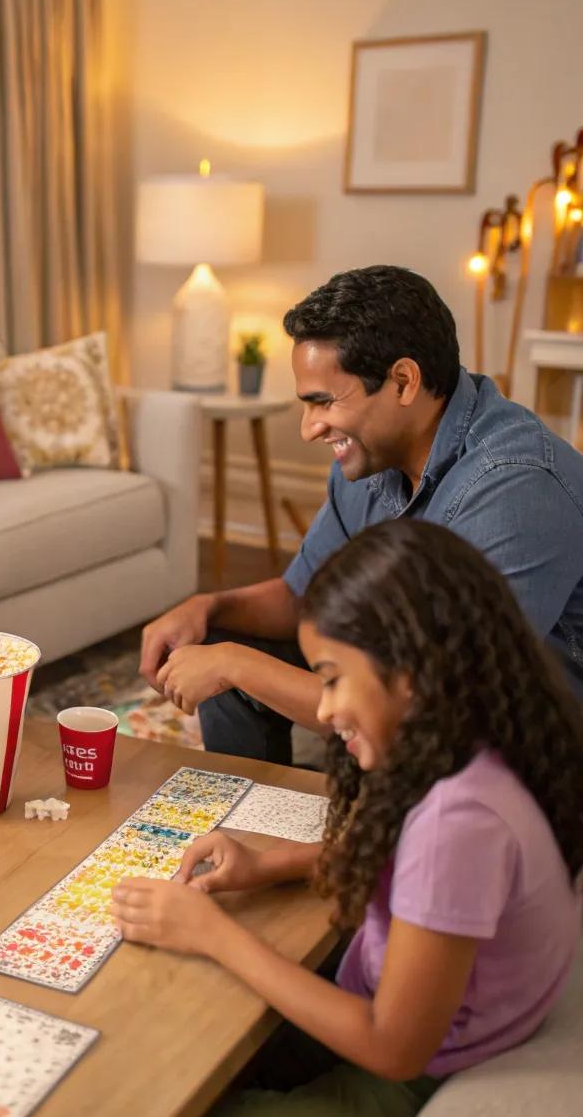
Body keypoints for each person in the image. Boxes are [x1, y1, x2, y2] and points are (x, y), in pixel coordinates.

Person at [114, 518, 582, 1117]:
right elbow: (406, 869)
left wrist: (214, 934)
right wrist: (267, 863)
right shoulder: (476, 735)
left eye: (332, 680)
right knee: (180, 1034)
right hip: (394, 1004)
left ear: (412, 673)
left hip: (419, 1078)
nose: (325, 710)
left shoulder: (462, 822)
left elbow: (394, 1048)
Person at [140, 265, 583, 764]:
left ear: (403, 381)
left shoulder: (517, 489)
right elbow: (303, 598)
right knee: (221, 639)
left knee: (234, 661)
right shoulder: (371, 458)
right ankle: (262, 811)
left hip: (536, 750)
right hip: (421, 696)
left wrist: (235, 666)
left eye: (323, 402)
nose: (309, 429)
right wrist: (207, 609)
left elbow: (439, 709)